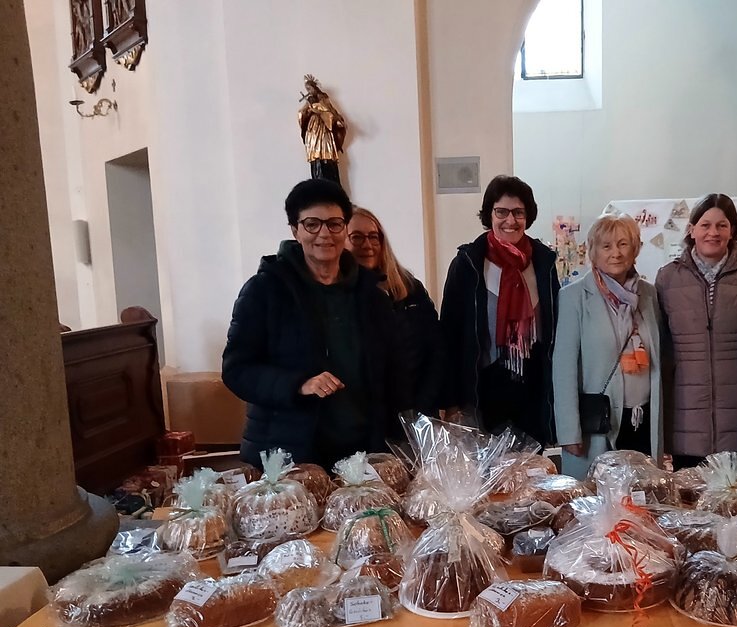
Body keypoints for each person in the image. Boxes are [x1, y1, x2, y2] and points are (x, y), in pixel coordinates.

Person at [222, 179, 408, 470]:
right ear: (295, 230)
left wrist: (401, 440)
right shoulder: (265, 290)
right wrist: (299, 384)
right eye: (312, 224)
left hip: (361, 453)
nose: (324, 234)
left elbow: (393, 373)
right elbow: (237, 370)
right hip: (289, 452)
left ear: (345, 228)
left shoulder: (371, 295)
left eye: (334, 224)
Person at [439, 175, 559, 444]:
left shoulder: (543, 262)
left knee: (533, 467)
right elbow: (449, 333)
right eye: (501, 212)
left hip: (533, 387)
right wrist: (451, 400)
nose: (510, 220)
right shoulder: (468, 263)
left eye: (518, 212)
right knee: (488, 465)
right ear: (489, 215)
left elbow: (555, 324)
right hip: (483, 388)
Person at [553, 215, 665, 479]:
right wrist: (569, 432)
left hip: (643, 419)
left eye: (623, 244)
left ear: (634, 249)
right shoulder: (574, 297)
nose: (616, 253)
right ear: (593, 251)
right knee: (597, 498)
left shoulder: (648, 294)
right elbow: (564, 369)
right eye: (606, 246)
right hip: (598, 424)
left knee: (643, 494)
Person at [656, 194, 737, 471]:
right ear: (692, 230)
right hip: (686, 416)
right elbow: (662, 345)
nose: (713, 232)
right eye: (705, 225)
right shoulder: (667, 278)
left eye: (722, 225)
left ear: (732, 230)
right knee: (690, 495)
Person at [344, 206, 444, 414]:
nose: (367, 245)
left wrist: (424, 405)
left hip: (419, 409)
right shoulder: (338, 295)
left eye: (374, 237)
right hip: (365, 414)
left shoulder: (410, 287)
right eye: (357, 237)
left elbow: (435, 348)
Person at [298, 75, 347, 184]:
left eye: (309, 88)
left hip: (324, 129)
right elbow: (301, 113)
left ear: (314, 87)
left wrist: (316, 108)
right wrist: (307, 111)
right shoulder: (309, 101)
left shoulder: (323, 98)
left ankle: (329, 179)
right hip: (312, 131)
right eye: (307, 89)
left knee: (326, 155)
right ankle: (317, 179)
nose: (308, 92)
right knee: (315, 158)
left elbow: (330, 112)